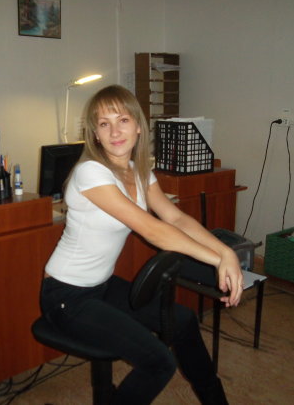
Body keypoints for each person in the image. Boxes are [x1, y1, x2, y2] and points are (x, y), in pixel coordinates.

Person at [40, 84, 243, 404]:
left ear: (138, 125)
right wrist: (218, 261)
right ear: (95, 134)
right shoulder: (90, 172)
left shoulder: (138, 170)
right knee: (159, 363)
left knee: (183, 321)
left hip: (102, 286)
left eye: (122, 120)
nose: (114, 131)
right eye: (104, 124)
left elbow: (175, 218)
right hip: (66, 296)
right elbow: (152, 230)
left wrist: (225, 251)